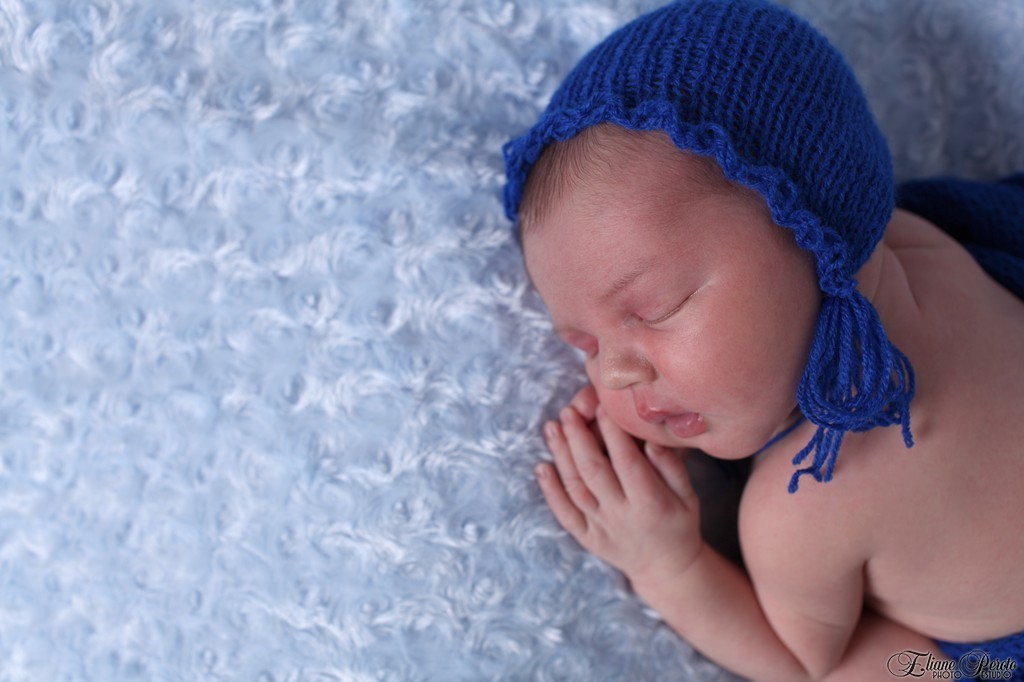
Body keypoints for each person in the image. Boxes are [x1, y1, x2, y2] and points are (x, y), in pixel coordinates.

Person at [501, 1, 1024, 680]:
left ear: (813, 231)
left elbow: (800, 664)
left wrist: (669, 565)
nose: (618, 374)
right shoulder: (931, 239)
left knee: (890, 669)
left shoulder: (805, 504)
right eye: (587, 347)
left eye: (657, 310)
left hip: (996, 651)